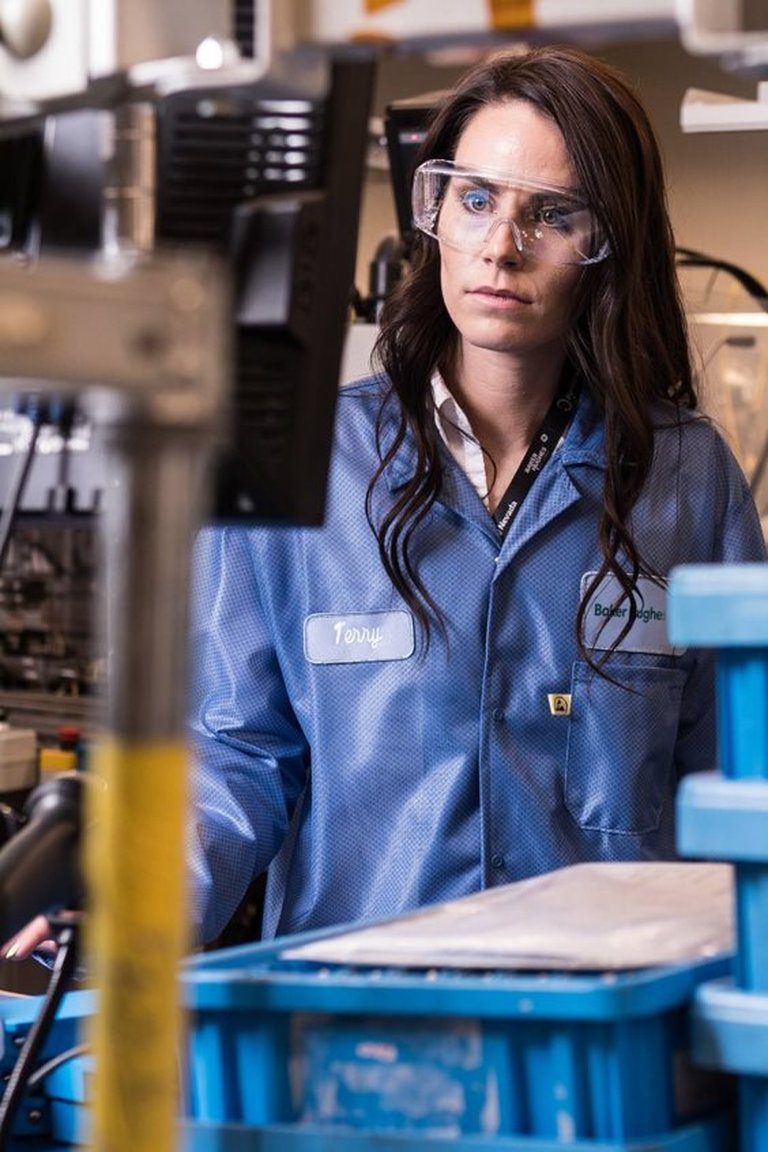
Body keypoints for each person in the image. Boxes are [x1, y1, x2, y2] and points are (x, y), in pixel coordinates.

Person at [4, 44, 766, 962]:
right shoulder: (302, 468)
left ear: (607, 244)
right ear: (435, 212)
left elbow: (735, 784)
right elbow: (232, 762)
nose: (501, 246)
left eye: (553, 214)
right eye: (476, 200)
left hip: (601, 1049)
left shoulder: (687, 482)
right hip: (359, 1030)